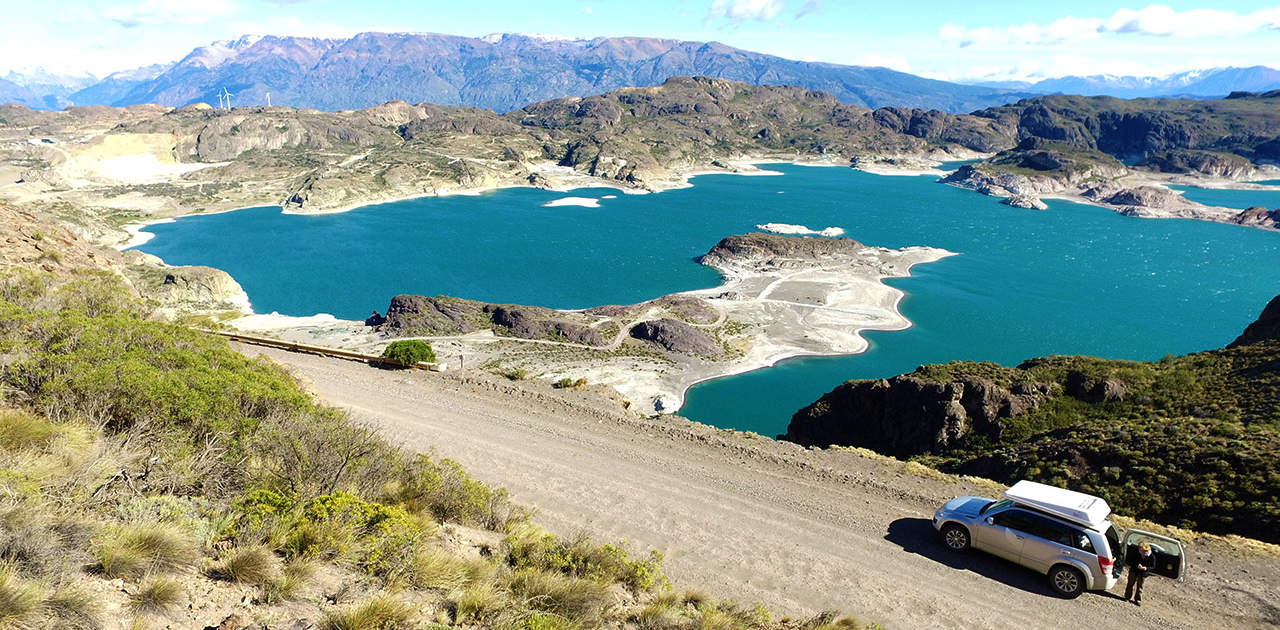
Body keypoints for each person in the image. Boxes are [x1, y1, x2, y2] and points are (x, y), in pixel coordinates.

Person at [1125, 541, 1156, 605]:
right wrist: (1137, 565)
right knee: (1130, 584)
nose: (1140, 551)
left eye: (1141, 549)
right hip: (1134, 570)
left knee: (1140, 587)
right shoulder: (1137, 552)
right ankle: (1127, 597)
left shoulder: (1152, 556)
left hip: (1143, 573)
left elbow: (1153, 567)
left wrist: (1146, 568)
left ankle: (1138, 600)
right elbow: (1131, 560)